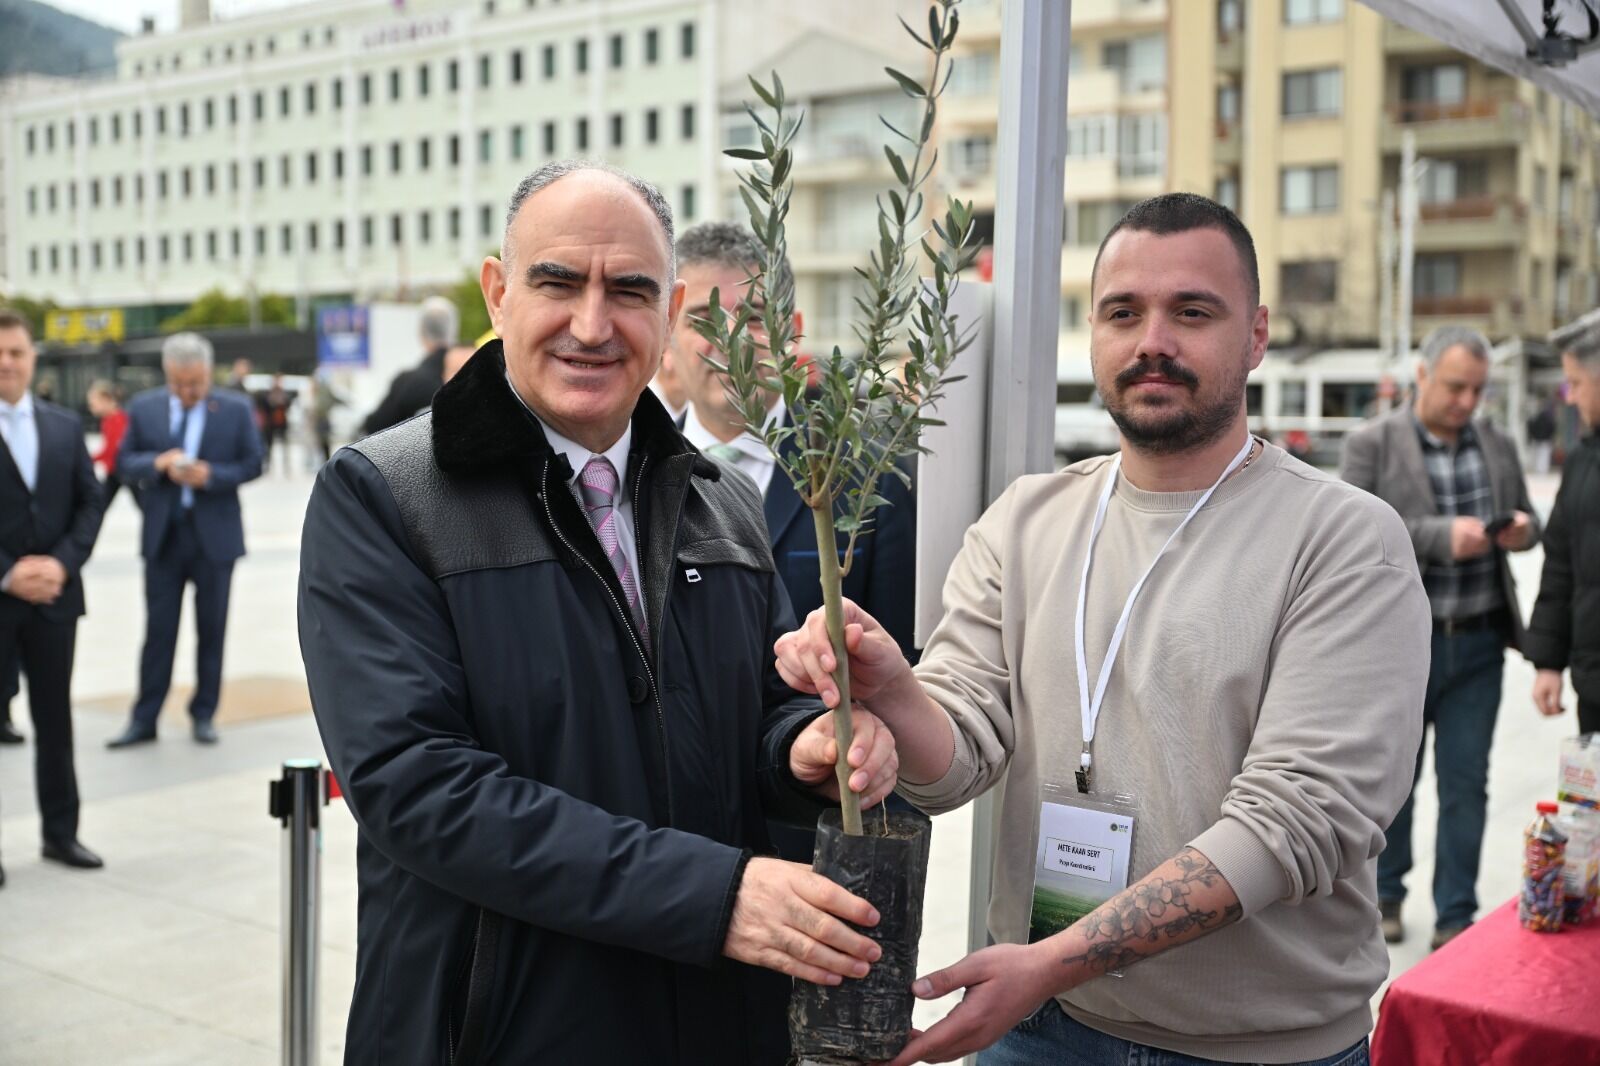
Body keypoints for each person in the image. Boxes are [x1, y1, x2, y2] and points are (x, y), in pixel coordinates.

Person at [775, 194, 1432, 1066]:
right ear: (1094, 334)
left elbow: (1294, 822)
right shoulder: (1026, 519)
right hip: (1045, 1029)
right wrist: (894, 688)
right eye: (1124, 312)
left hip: (1256, 1048)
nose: (1152, 339)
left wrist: (1049, 963)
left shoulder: (1347, 540)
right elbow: (960, 750)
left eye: (1192, 311)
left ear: (1258, 334)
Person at [298, 160, 901, 1065]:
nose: (592, 323)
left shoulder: (717, 503)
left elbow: (754, 715)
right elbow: (416, 785)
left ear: (671, 310)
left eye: (628, 289)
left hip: (714, 1023)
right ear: (497, 293)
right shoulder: (385, 496)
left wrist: (804, 750)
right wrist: (714, 896)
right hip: (498, 1031)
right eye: (557, 282)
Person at [669, 221, 921, 862]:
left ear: (793, 328)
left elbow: (902, 676)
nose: (730, 342)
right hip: (666, 840)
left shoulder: (866, 474)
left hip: (817, 840)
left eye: (753, 318)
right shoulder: (623, 474)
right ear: (669, 331)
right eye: (704, 318)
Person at [1340, 324, 1540, 950]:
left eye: (1477, 389)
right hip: (1402, 644)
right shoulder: (1372, 443)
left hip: (1479, 641)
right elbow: (1348, 535)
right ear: (1422, 376)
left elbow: (1532, 526)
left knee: (1465, 784)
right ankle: (1388, 896)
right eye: (1455, 386)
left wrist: (1522, 530)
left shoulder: (1497, 444)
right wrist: (1436, 537)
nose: (1466, 401)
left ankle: (1456, 912)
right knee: (1394, 779)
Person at [107, 333, 264, 748]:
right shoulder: (144, 408)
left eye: (194, 383)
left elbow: (253, 462)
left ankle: (204, 713)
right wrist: (158, 464)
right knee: (159, 632)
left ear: (209, 374)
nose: (187, 392)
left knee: (211, 631)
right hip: (164, 538)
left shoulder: (235, 408)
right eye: (178, 384)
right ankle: (144, 718)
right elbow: (123, 462)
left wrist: (212, 476)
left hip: (215, 539)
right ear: (166, 375)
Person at [0, 308, 107, 884]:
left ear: (31, 357)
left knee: (54, 719)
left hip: (55, 600)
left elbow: (90, 502)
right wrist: (7, 574)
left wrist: (61, 565)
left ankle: (60, 834)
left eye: (16, 352)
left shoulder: (64, 427)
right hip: (0, 596)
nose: (7, 363)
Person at [1527, 322, 1600, 734]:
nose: (1570, 397)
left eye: (1575, 382)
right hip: (1593, 690)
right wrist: (1549, 661)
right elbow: (1559, 566)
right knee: (1587, 799)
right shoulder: (1580, 462)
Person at [359, 296, 458, 434]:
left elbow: (375, 426)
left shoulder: (407, 382)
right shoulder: (473, 374)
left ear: (421, 332)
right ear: (453, 329)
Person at [87, 380, 128, 508]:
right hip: (115, 471)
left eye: (93, 404)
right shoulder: (108, 420)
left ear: (105, 400)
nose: (90, 408)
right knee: (101, 503)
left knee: (100, 503)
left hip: (122, 469)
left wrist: (89, 459)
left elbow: (112, 449)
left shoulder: (118, 419)